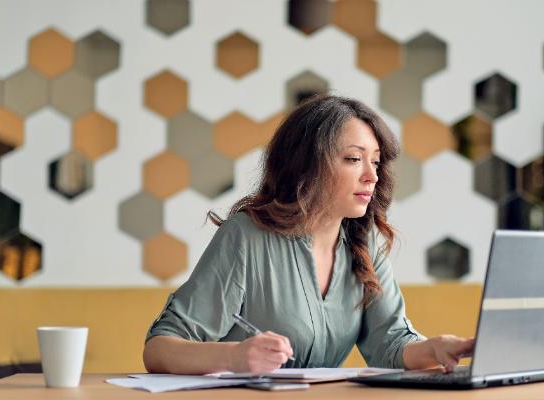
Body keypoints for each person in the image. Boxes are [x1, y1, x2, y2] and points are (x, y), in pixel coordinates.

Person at [143, 95, 474, 375]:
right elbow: (159, 349)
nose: (371, 175)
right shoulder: (246, 236)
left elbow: (390, 343)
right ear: (307, 165)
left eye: (375, 162)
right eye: (354, 159)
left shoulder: (364, 241)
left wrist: (437, 348)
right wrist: (234, 356)